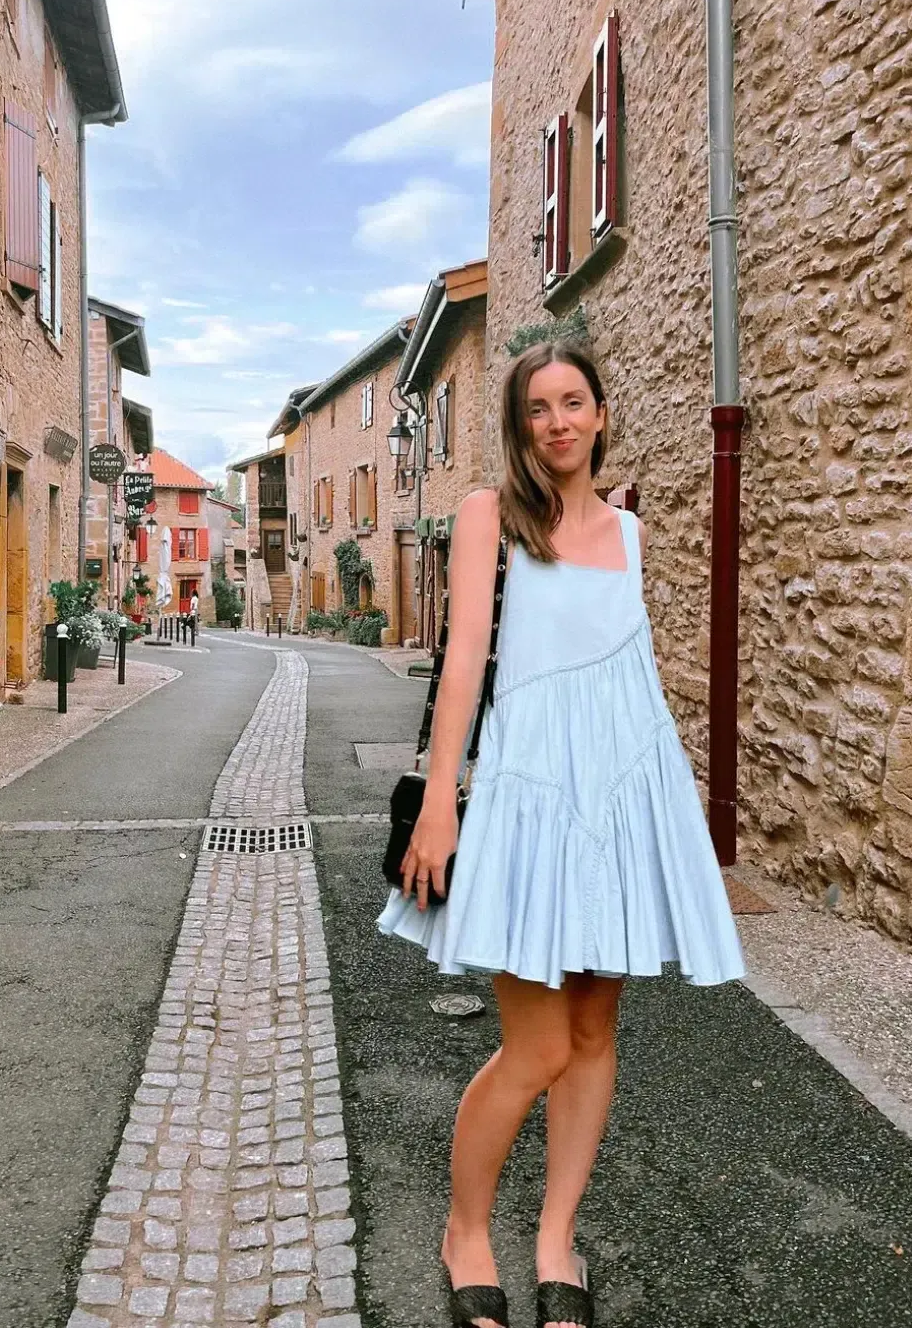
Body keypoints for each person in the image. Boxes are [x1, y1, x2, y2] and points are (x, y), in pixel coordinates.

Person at [378, 341, 745, 1328]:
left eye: (572, 402)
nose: (556, 422)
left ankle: (554, 1239)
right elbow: (460, 663)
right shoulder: (486, 518)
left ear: (599, 413)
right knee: (534, 1044)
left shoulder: (627, 533)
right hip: (525, 796)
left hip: (620, 796)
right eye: (537, 407)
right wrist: (445, 799)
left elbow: (628, 679)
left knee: (591, 1033)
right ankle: (465, 1230)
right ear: (519, 424)